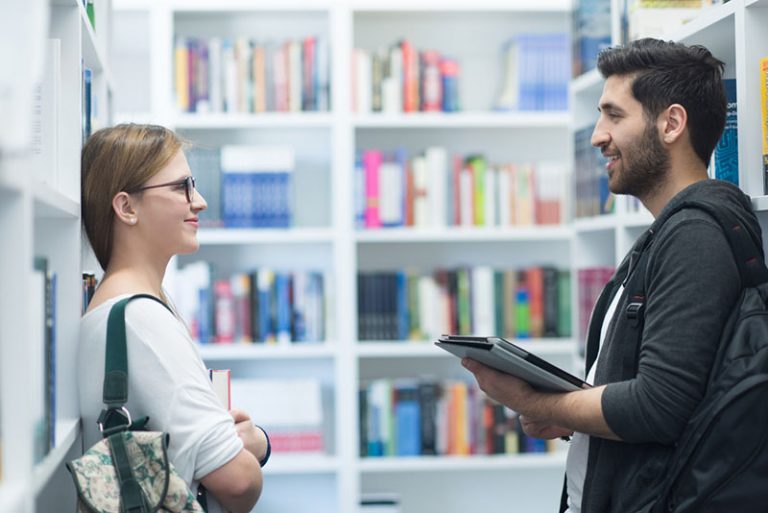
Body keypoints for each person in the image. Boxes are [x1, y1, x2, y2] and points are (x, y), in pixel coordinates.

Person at [462, 38, 763, 512]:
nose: (598, 135)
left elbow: (658, 407)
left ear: (671, 123)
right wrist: (573, 414)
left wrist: (534, 401)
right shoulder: (669, 230)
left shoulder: (695, 236)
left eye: (614, 115)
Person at [79, 123, 268, 513]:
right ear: (127, 207)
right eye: (181, 187)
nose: (199, 201)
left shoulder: (129, 305)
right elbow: (239, 481)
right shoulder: (142, 321)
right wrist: (258, 444)